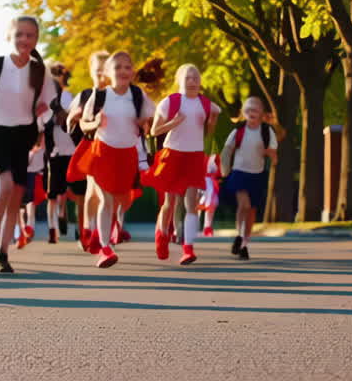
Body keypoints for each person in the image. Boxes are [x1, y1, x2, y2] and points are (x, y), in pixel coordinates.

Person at [0, 15, 56, 273]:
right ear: (10, 36)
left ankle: (4, 254)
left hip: (23, 134)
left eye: (29, 35)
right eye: (19, 34)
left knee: (16, 195)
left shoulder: (40, 71)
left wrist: (40, 109)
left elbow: (46, 102)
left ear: (36, 39)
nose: (24, 40)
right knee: (5, 187)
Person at [73, 51, 155, 268]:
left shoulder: (138, 96)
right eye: (117, 67)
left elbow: (150, 122)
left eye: (127, 67)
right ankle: (106, 249)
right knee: (106, 200)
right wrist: (96, 122)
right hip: (102, 153)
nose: (123, 71)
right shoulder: (100, 96)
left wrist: (144, 123)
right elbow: (84, 124)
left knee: (122, 200)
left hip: (126, 154)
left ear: (133, 72)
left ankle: (99, 237)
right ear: (108, 72)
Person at [145, 64, 220, 264]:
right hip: (173, 154)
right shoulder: (171, 102)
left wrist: (212, 123)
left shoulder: (205, 103)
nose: (193, 81)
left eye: (196, 77)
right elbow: (154, 131)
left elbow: (212, 124)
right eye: (188, 77)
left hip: (194, 155)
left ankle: (188, 247)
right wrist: (174, 123)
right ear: (180, 80)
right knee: (169, 203)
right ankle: (162, 235)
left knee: (191, 204)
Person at [220, 97, 277, 261]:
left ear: (262, 114)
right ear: (243, 113)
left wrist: (270, 155)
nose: (251, 113)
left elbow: (273, 150)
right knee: (243, 205)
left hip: (257, 174)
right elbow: (227, 149)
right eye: (248, 110)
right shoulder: (238, 130)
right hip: (239, 172)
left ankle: (244, 243)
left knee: (251, 210)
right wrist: (225, 169)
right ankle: (239, 235)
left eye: (255, 110)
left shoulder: (267, 131)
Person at [66, 51, 111, 251]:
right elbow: (70, 122)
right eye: (97, 69)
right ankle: (96, 235)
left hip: (114, 147)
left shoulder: (119, 95)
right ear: (91, 71)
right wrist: (74, 118)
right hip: (92, 147)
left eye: (105, 69)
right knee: (99, 190)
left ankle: (89, 228)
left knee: (95, 193)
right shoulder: (85, 95)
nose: (101, 73)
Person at [43, 62, 77, 244]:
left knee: (65, 191)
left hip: (70, 149)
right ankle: (52, 228)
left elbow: (73, 120)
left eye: (60, 75)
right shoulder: (46, 99)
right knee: (52, 194)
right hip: (53, 151)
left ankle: (63, 213)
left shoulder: (70, 98)